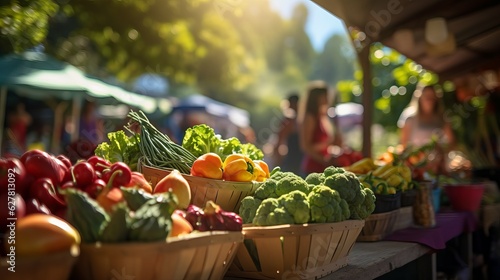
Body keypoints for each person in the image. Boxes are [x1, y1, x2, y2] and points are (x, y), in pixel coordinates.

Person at [298, 81, 343, 176]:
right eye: (325, 96)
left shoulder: (323, 115)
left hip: (324, 167)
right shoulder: (310, 117)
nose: (328, 98)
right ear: (316, 98)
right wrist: (323, 159)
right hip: (313, 169)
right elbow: (306, 146)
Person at [273, 93, 303, 174]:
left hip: (297, 162)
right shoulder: (289, 121)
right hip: (293, 162)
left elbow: (278, 144)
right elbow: (278, 143)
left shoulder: (292, 121)